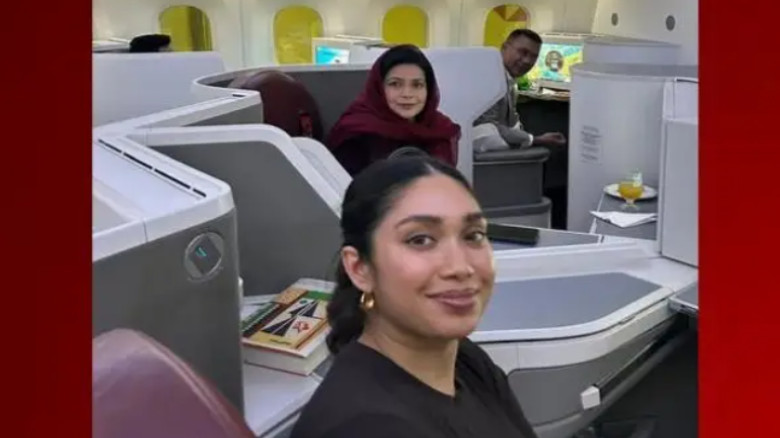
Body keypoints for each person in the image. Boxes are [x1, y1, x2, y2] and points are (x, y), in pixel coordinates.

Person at [290, 157, 537, 438]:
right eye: (420, 240)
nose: (460, 267)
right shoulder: (364, 427)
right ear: (360, 268)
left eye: (473, 235)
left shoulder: (465, 361)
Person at [325, 45, 461, 176]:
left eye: (417, 85)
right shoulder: (356, 133)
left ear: (428, 89)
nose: (407, 94)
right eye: (395, 84)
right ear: (379, 88)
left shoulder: (440, 130)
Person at [475, 29, 566, 149]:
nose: (527, 60)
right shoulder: (488, 78)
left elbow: (513, 123)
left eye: (534, 57)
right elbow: (489, 128)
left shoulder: (509, 81)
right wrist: (535, 140)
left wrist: (532, 138)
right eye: (523, 52)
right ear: (504, 47)